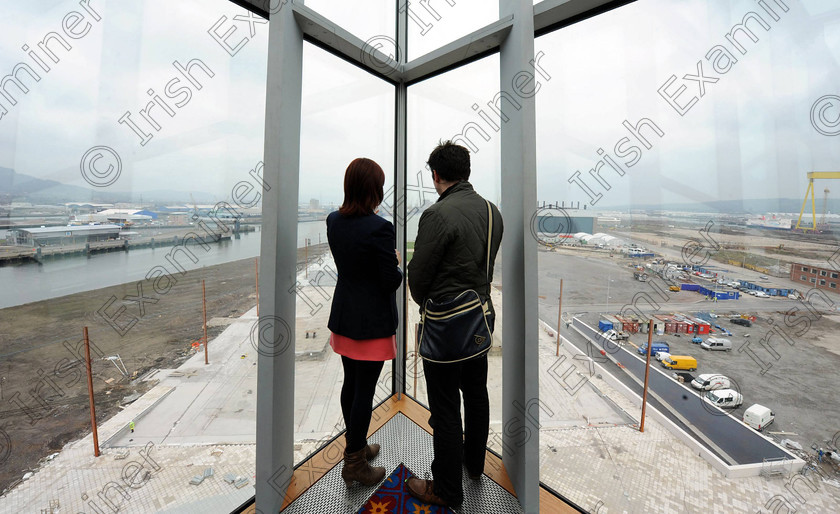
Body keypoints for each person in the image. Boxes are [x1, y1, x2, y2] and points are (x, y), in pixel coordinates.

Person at [405, 141, 503, 507]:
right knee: (476, 393)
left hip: (447, 326)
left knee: (445, 406)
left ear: (435, 175)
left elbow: (419, 279)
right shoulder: (493, 212)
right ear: (467, 172)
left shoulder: (437, 215)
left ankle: (447, 490)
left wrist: (427, 299)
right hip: (479, 318)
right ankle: (474, 463)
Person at [327, 157, 402, 487]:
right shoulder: (380, 228)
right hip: (371, 324)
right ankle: (354, 463)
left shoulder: (333, 221)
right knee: (364, 392)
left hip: (344, 316)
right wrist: (397, 263)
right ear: (373, 189)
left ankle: (356, 447)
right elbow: (390, 281)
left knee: (350, 384)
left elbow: (352, 267)